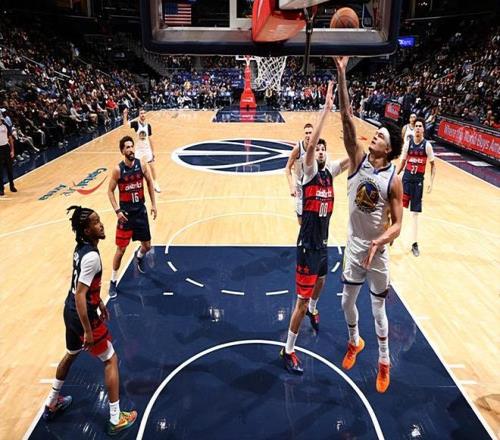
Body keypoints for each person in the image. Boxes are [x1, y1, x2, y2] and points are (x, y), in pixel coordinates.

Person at [334, 56, 404, 393]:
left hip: (377, 251)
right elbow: (347, 118)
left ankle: (384, 361)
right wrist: (342, 73)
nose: (374, 136)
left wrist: (380, 241)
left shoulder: (394, 179)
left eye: (380, 136)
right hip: (355, 245)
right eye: (375, 133)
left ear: (388, 149)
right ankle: (354, 341)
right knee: (345, 303)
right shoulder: (358, 159)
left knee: (378, 309)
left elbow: (398, 225)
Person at [43, 206, 137, 435]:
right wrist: (87, 330)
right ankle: (115, 418)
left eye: (99, 220)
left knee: (71, 354)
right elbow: (80, 295)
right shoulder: (92, 258)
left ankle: (52, 401)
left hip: (70, 311)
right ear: (86, 230)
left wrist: (99, 303)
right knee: (110, 359)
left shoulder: (81, 248)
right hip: (80, 314)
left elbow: (82, 288)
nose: (101, 224)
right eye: (95, 222)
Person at [281, 82, 349, 374]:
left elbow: (352, 158)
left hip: (322, 244)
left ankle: (313, 308)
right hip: (307, 246)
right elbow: (309, 147)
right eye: (316, 148)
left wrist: (358, 140)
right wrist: (326, 110)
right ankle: (288, 349)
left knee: (322, 281)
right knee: (300, 301)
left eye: (323, 149)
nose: (319, 151)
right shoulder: (308, 172)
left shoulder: (330, 173)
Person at [108, 136, 157, 297]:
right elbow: (110, 191)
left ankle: (139, 256)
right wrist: (117, 211)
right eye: (127, 147)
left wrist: (153, 204)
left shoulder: (141, 164)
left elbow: (150, 182)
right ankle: (113, 281)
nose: (130, 150)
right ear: (122, 151)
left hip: (140, 212)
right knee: (121, 250)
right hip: (126, 216)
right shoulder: (118, 170)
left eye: (131, 146)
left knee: (147, 246)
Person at [396, 117, 436, 257]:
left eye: (420, 126)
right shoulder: (408, 144)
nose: (418, 128)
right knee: (399, 209)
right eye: (416, 126)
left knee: (414, 214)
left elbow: (433, 165)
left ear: (424, 129)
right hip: (406, 180)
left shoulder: (427, 146)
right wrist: (394, 176)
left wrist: (431, 182)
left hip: (418, 182)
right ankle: (392, 234)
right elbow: (402, 162)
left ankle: (414, 243)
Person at [123, 107, 161, 193]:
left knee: (152, 167)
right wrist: (125, 115)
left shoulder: (148, 126)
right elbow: (125, 124)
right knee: (135, 167)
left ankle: (155, 183)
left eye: (144, 113)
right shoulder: (136, 124)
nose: (143, 115)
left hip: (147, 149)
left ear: (145, 114)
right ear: (139, 115)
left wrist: (152, 151)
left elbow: (150, 139)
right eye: (141, 113)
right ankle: (133, 184)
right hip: (138, 150)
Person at [284, 123, 314, 225]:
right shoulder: (298, 148)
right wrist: (291, 187)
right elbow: (287, 168)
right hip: (299, 187)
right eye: (306, 133)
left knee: (312, 217)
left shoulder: (317, 147)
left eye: (310, 133)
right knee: (301, 219)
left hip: (311, 186)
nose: (308, 135)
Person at [0, 115, 16, 196]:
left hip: (6, 148)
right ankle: (1, 189)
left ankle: (12, 186)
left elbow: (10, 138)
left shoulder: (5, 125)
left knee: (9, 169)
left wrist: (12, 150)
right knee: (0, 171)